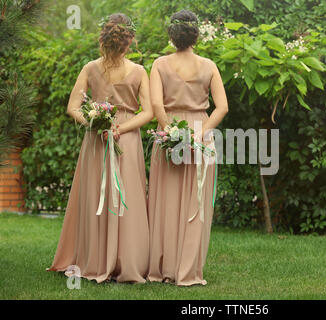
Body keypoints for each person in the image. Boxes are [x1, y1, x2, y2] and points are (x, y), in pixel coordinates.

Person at [47, 13, 153, 283]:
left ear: (103, 40)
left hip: (98, 139)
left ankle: (94, 259)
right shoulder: (139, 71)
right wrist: (118, 128)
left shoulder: (89, 68)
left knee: (96, 196)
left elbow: (73, 108)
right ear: (129, 42)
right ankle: (125, 262)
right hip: (124, 138)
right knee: (125, 197)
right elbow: (148, 112)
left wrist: (94, 122)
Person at [147, 9, 228, 286]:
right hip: (200, 135)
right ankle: (189, 270)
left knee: (165, 202)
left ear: (172, 35)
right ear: (196, 34)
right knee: (196, 203)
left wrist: (170, 130)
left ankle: (163, 268)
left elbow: (157, 105)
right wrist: (198, 135)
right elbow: (222, 107)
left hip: (168, 131)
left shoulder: (159, 64)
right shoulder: (209, 65)